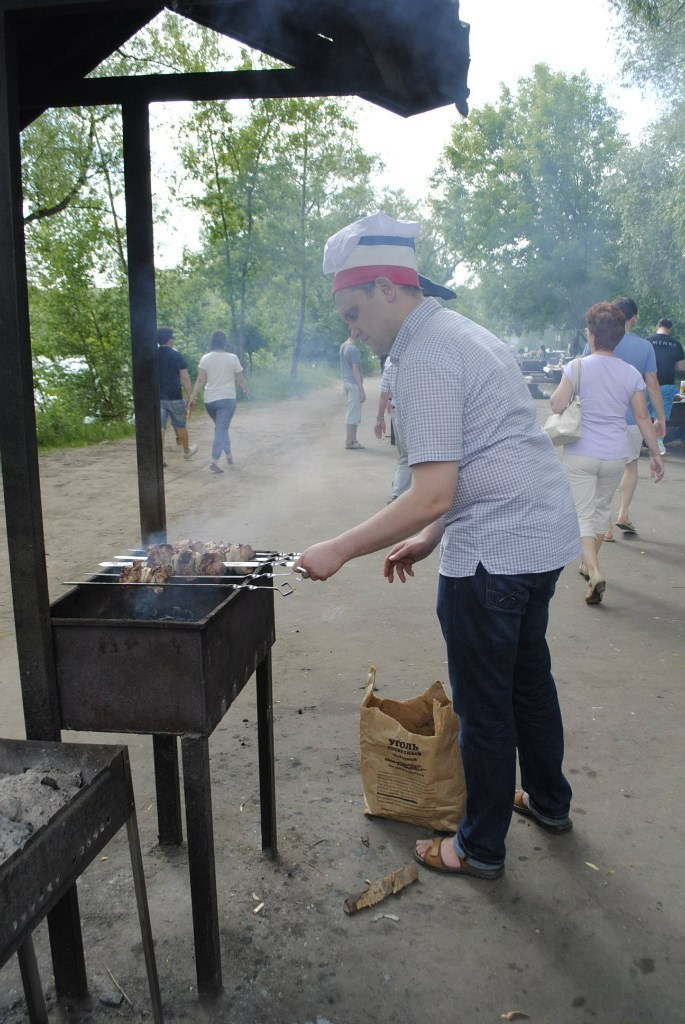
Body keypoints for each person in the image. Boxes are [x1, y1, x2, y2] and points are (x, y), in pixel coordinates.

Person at [296, 211, 581, 881]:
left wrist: (338, 547)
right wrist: (427, 539)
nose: (353, 328)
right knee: (527, 683)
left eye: (354, 310)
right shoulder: (463, 332)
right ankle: (547, 801)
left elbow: (430, 491)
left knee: (484, 707)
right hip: (538, 537)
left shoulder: (420, 356)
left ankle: (476, 848)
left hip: (492, 554)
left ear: (387, 288)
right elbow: (477, 458)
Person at [550, 303, 664, 606]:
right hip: (615, 454)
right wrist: (655, 453)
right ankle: (589, 564)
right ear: (619, 336)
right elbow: (641, 418)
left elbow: (557, 405)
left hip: (581, 452)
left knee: (581, 513)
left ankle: (594, 569)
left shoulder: (577, 366)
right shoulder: (630, 373)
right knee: (600, 511)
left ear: (591, 334)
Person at [584, 297, 665, 540]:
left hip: (600, 417)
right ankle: (623, 513)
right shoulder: (644, 347)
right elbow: (652, 385)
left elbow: (585, 372)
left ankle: (605, 526)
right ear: (634, 318)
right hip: (632, 419)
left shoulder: (596, 340)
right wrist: (660, 417)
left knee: (603, 471)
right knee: (630, 466)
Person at [188, 330, 248, 473]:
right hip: (227, 400)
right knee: (221, 429)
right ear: (225, 343)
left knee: (221, 428)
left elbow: (200, 380)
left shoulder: (205, 358)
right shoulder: (232, 358)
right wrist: (245, 389)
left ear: (212, 343)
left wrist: (193, 397)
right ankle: (214, 461)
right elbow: (239, 378)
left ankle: (229, 456)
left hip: (210, 401)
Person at [157, 327, 198, 461]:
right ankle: (186, 451)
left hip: (158, 397)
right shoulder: (176, 355)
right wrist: (190, 396)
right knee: (180, 424)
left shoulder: (153, 355)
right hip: (174, 396)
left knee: (160, 426)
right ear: (169, 340)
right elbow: (185, 377)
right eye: (173, 338)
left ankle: (159, 456)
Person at [374, 358, 412, 501]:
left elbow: (384, 393)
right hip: (419, 412)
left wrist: (379, 418)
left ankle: (398, 494)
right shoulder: (421, 355)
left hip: (398, 412)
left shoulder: (390, 361)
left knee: (405, 457)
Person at [646, 318, 685, 451]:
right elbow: (680, 368)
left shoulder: (647, 341)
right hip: (667, 385)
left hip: (646, 383)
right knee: (660, 417)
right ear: (670, 329)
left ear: (658, 326)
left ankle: (639, 442)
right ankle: (657, 446)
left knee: (642, 414)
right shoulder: (677, 344)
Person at [339, 336, 365, 449]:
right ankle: (349, 441)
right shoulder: (353, 349)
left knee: (353, 412)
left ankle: (353, 439)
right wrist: (361, 389)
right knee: (352, 414)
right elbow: (356, 371)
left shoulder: (343, 346)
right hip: (353, 384)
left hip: (346, 382)